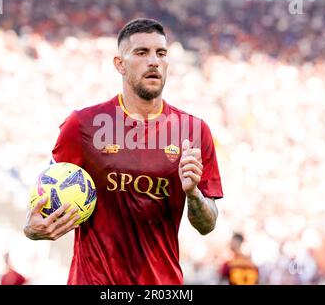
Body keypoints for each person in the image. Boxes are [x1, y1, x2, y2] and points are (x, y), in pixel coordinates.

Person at [24, 18, 223, 284]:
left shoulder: (194, 131)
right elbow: (48, 192)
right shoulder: (83, 125)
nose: (153, 61)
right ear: (120, 64)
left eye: (161, 53)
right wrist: (31, 227)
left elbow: (207, 225)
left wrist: (193, 194)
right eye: (142, 52)